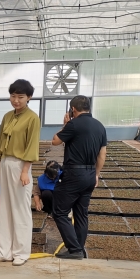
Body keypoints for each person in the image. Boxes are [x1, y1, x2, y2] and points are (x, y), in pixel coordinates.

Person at [0, 79, 40, 266]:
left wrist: (25, 171)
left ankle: (21, 252)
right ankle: (5, 251)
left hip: (20, 165)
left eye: (20, 97)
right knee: (5, 208)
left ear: (29, 97)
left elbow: (32, 146)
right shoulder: (7, 116)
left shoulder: (32, 118)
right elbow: (0, 142)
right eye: (13, 96)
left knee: (20, 209)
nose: (16, 100)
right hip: (4, 163)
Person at [51, 95, 107, 260]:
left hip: (74, 173)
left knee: (60, 212)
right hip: (90, 174)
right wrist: (96, 174)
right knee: (81, 214)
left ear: (73, 109)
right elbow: (102, 154)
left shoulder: (73, 124)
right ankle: (79, 249)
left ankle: (74, 249)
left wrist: (65, 125)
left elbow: (55, 141)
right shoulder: (100, 126)